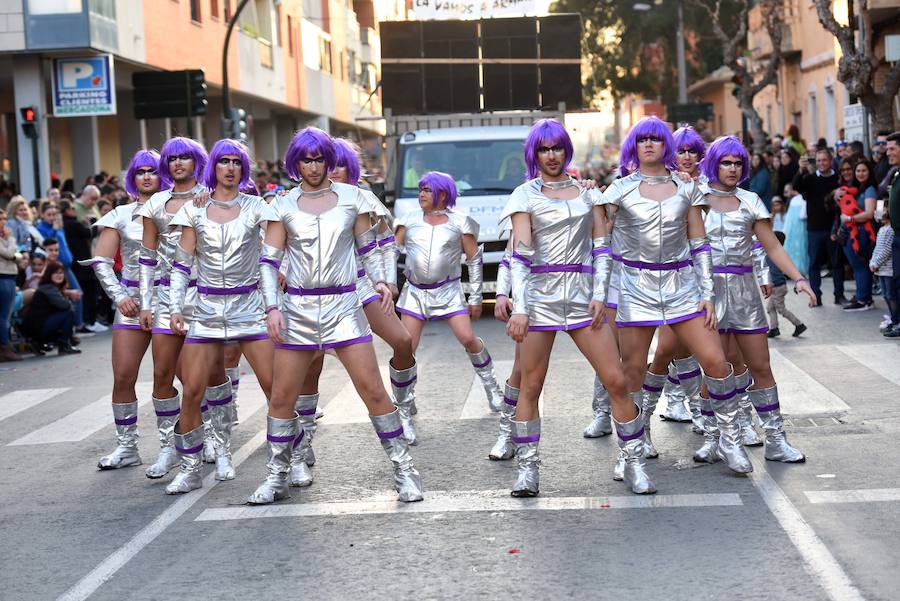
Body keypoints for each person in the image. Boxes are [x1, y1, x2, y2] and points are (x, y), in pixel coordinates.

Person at [252, 127, 423, 504]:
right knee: (282, 397)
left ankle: (404, 472)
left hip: (345, 307)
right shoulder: (281, 204)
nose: (313, 166)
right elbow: (269, 262)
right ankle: (278, 474)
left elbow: (371, 248)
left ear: (329, 160)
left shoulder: (353, 198)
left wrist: (381, 281)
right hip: (297, 310)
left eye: (318, 158)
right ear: (295, 162)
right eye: (306, 159)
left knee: (373, 392)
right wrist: (272, 308)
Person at [504, 118, 649, 496]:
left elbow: (602, 249)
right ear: (534, 154)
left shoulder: (589, 194)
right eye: (543, 149)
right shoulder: (524, 195)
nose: (551, 156)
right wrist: (520, 307)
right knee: (530, 386)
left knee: (616, 380)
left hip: (585, 300)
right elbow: (521, 255)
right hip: (539, 300)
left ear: (566, 150)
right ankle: (528, 471)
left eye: (556, 148)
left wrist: (600, 294)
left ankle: (633, 462)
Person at [601, 117, 749, 475]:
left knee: (715, 361)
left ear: (665, 144)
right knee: (631, 370)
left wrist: (708, 294)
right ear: (633, 146)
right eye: (642, 139)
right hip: (636, 286)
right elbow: (599, 243)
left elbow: (700, 246)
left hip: (683, 286)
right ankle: (632, 447)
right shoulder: (617, 191)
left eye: (656, 138)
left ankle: (729, 439)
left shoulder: (687, 189)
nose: (649, 144)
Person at [165, 139, 272, 493]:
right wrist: (175, 307)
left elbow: (275, 256)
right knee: (193, 390)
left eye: (236, 162)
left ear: (243, 168)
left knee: (276, 387)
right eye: (223, 161)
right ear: (214, 167)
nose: (229, 167)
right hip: (207, 309)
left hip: (249, 308)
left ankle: (292, 458)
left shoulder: (259, 208)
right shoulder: (194, 210)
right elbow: (181, 265)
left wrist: (274, 306)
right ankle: (195, 465)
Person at [698, 135, 812, 464]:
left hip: (745, 292)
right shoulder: (695, 199)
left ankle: (775, 440)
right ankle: (714, 436)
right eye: (726, 162)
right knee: (715, 369)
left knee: (760, 365)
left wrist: (799, 277)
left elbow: (772, 247)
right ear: (714, 164)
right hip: (707, 294)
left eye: (737, 163)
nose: (732, 169)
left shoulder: (750, 201)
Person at [138, 137, 227, 477]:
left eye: (185, 158)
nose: (178, 164)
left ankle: (218, 442)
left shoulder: (210, 198)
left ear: (196, 162)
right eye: (172, 158)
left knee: (207, 375)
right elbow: (146, 259)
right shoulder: (155, 205)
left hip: (203, 297)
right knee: (162, 374)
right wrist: (146, 302)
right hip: (164, 298)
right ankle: (168, 448)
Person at [394, 171, 504, 415]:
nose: (421, 194)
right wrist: (387, 284)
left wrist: (475, 297)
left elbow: (474, 259)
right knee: (406, 348)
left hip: (449, 291)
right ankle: (405, 404)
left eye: (427, 190)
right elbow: (390, 252)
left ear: (443, 195)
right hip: (414, 293)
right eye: (420, 189)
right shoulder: (408, 220)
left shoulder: (460, 222)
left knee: (467, 338)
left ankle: (492, 388)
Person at [78, 150, 161, 471]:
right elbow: (100, 260)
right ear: (132, 178)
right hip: (131, 303)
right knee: (124, 376)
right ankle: (127, 447)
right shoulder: (121, 214)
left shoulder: (177, 211)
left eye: (152, 171)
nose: (146, 177)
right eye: (140, 172)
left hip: (170, 301)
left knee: (184, 377)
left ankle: (198, 439)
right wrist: (119, 296)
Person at [794, 148, 842, 305]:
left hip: (833, 228)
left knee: (836, 263)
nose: (822, 163)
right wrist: (801, 169)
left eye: (824, 160)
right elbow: (797, 185)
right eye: (819, 160)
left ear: (830, 161)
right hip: (814, 228)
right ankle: (816, 297)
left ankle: (839, 295)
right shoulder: (810, 178)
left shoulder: (838, 178)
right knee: (814, 264)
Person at [837, 159, 878, 312]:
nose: (860, 173)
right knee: (857, 265)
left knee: (861, 265)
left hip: (861, 231)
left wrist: (849, 219)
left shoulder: (869, 190)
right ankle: (862, 296)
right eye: (858, 171)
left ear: (869, 172)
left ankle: (864, 300)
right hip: (852, 230)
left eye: (864, 171)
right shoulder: (857, 189)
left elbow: (868, 213)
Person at [61, 199, 105, 333]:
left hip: (74, 261)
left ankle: (85, 321)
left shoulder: (65, 224)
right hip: (81, 262)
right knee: (89, 291)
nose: (75, 211)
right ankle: (89, 321)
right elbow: (89, 233)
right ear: (67, 210)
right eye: (72, 209)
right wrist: (100, 225)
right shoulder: (72, 224)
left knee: (85, 291)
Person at [19, 261, 81, 355]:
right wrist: (69, 297)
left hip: (36, 327)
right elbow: (65, 305)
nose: (59, 275)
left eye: (61, 273)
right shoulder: (49, 288)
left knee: (65, 313)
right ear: (49, 274)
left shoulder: (50, 287)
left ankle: (41, 343)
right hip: (37, 328)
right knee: (68, 312)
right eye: (55, 272)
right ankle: (64, 346)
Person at [765, 231, 807, 338]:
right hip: (779, 285)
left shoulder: (771, 255)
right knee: (770, 308)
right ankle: (774, 328)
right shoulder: (779, 254)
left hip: (777, 286)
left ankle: (799, 324)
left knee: (781, 309)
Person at [884, 132, 900, 338]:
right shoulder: (896, 173)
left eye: (892, 149)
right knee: (897, 281)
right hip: (896, 235)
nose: (887, 153)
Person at [0, 209, 21, 361]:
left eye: (4, 219)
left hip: (9, 276)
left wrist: (15, 255)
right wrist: (11, 239)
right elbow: (9, 254)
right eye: (1, 219)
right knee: (3, 316)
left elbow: (16, 256)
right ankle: (4, 347)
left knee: (4, 315)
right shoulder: (7, 237)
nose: (4, 223)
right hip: (3, 277)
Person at [870, 207, 895, 331]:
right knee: (885, 295)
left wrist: (876, 263)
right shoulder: (881, 229)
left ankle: (896, 318)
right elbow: (877, 248)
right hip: (880, 268)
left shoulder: (891, 230)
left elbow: (887, 249)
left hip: (888, 268)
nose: (878, 214)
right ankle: (892, 316)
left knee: (891, 295)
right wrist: (872, 262)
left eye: (882, 211)